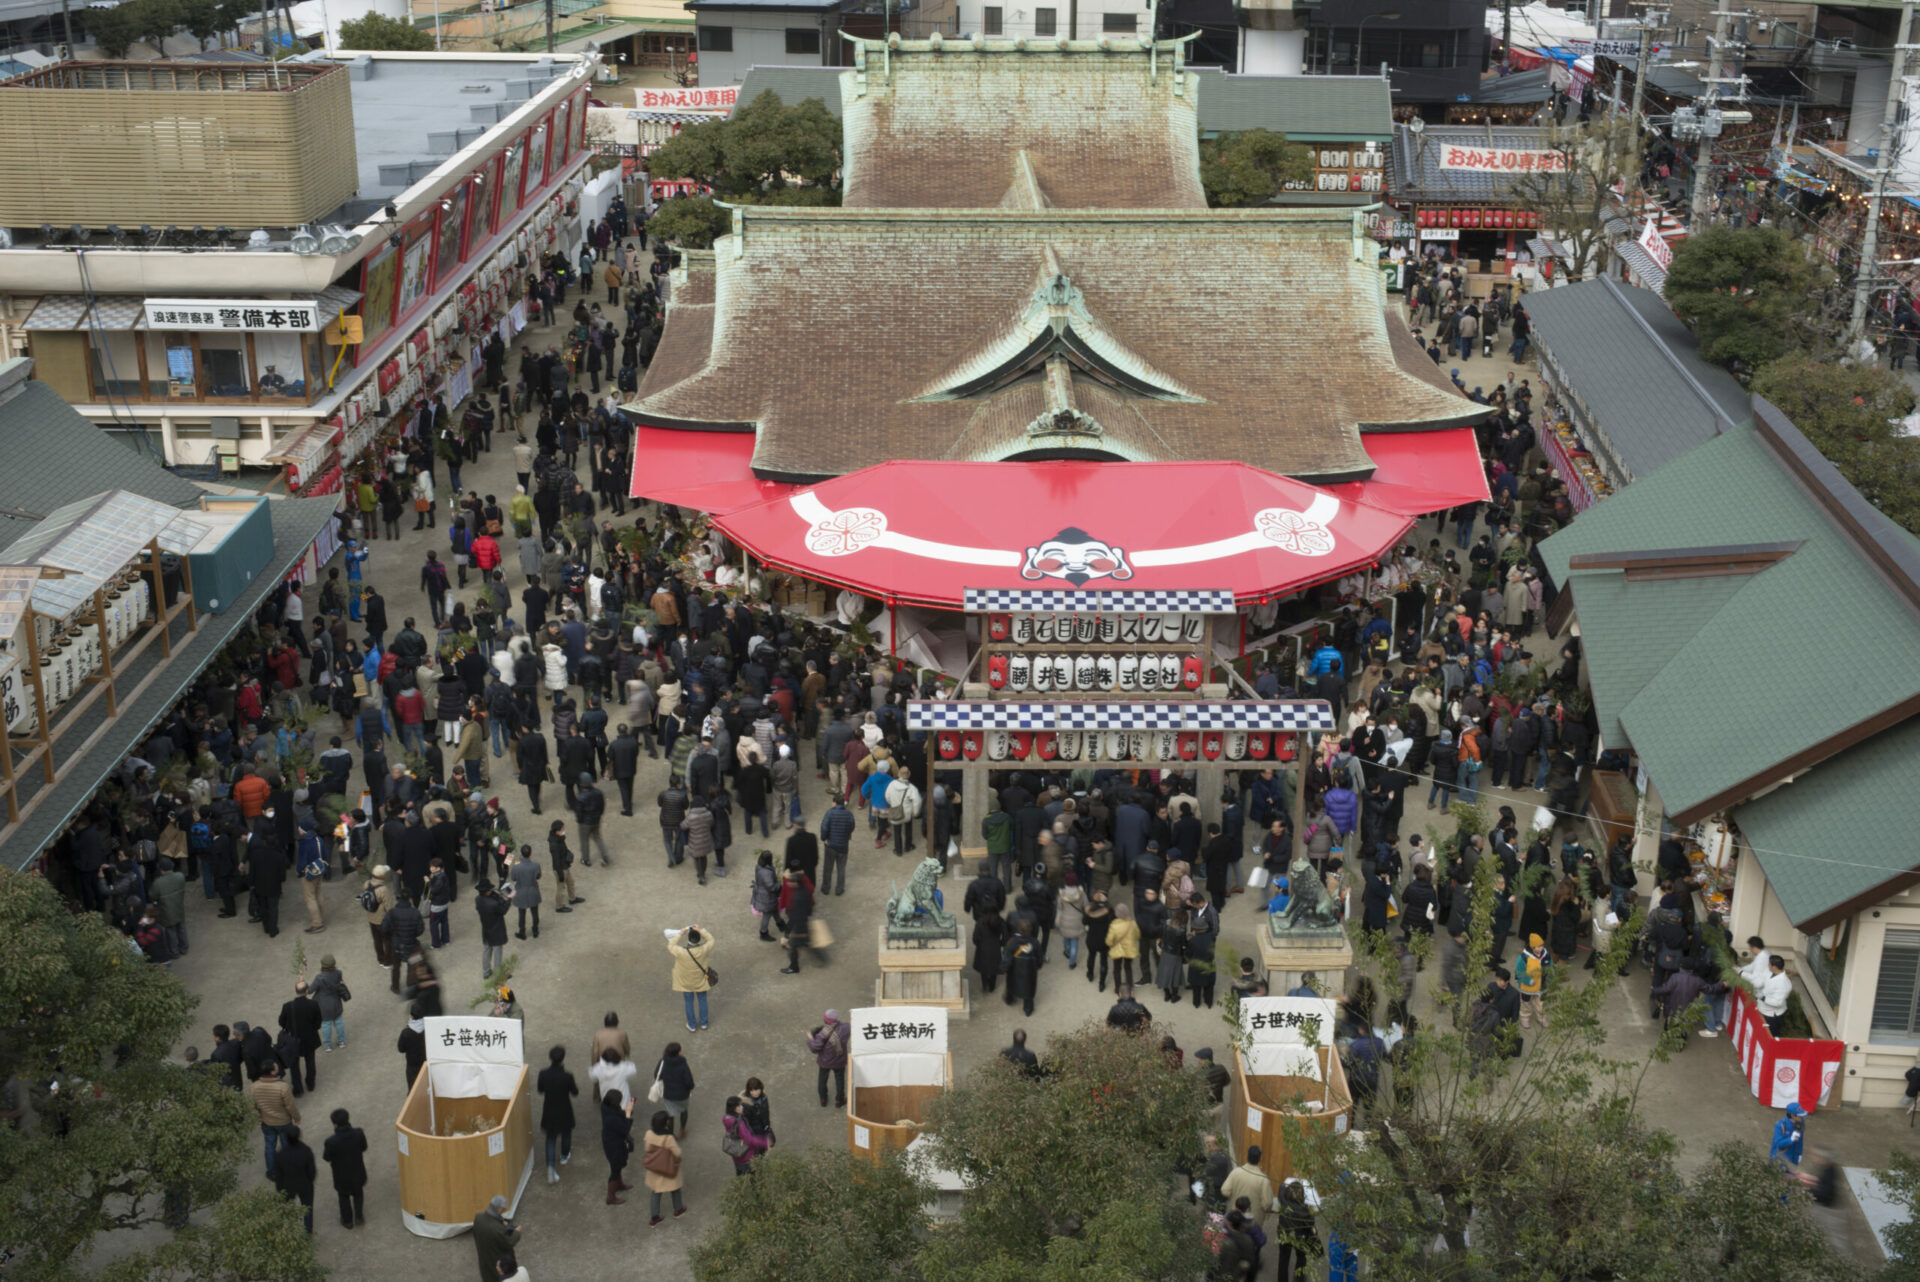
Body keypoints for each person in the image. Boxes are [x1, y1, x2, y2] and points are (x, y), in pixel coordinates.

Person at [250, 1060, 300, 1180]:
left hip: (267, 1122)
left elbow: (253, 1106)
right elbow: (290, 1106)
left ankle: (272, 1172)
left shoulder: (254, 1087)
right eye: (276, 1067)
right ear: (272, 1072)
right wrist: (297, 1118)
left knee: (269, 1147)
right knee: (286, 1147)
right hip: (284, 1122)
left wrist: (258, 1120)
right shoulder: (282, 1087)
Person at [323, 1107, 369, 1229]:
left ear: (334, 1124)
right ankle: (359, 1216)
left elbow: (326, 1157)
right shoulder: (358, 1133)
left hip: (341, 1174)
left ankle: (347, 1220)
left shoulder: (331, 1141)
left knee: (343, 1197)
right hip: (358, 1170)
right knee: (358, 1194)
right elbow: (364, 1147)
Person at [538, 1045, 578, 1183]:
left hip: (549, 1110)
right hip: (564, 1109)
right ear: (563, 1059)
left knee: (550, 1138)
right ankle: (564, 1156)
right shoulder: (567, 1076)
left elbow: (540, 1089)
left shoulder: (543, 1074)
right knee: (566, 1133)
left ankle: (550, 1166)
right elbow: (575, 1092)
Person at [1220, 1144, 1276, 1238]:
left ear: (1247, 1156)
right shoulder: (1263, 1179)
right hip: (1254, 1221)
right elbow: (1268, 1203)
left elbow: (1225, 1190)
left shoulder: (1236, 1172)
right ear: (1260, 1159)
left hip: (1236, 1218)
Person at [277, 980, 323, 1093]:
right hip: (309, 1038)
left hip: (293, 1039)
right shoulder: (313, 1004)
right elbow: (318, 1022)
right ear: (307, 991)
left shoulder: (287, 1006)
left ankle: (298, 1089)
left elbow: (281, 1022)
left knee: (294, 1065)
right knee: (310, 1062)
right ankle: (310, 1083)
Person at [642, 1109, 685, 1225]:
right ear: (665, 1123)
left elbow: (647, 1149)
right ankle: (678, 1209)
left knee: (656, 1191)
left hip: (655, 1169)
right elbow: (677, 1153)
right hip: (668, 1168)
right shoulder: (668, 1138)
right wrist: (677, 1160)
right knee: (675, 1189)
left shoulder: (649, 1134)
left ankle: (654, 1217)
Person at [668, 925, 715, 1031]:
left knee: (689, 1002)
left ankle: (692, 1025)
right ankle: (704, 1023)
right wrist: (701, 930)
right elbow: (711, 939)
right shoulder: (704, 949)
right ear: (699, 939)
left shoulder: (681, 952)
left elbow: (671, 945)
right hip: (701, 980)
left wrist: (680, 933)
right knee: (702, 1000)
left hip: (686, 981)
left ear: (688, 938)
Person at [274, 1124, 317, 1233]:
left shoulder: (280, 1154)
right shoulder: (306, 1151)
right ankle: (308, 1231)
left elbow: (279, 1175)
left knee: (288, 1209)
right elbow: (311, 1171)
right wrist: (310, 1181)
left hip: (288, 1186)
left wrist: (280, 1189)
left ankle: (291, 1231)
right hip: (305, 1184)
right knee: (307, 1208)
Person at [1274, 1179, 1319, 1282]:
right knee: (1301, 1258)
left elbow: (1281, 1188)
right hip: (1300, 1238)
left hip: (1284, 1235)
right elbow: (1310, 1224)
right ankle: (1299, 1279)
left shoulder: (1283, 1201)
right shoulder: (1304, 1211)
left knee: (1283, 1259)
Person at [472, 1195, 520, 1282]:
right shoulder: (497, 1229)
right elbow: (509, 1243)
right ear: (499, 1210)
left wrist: (501, 1222)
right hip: (499, 1262)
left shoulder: (478, 1217)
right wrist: (517, 1232)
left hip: (484, 1260)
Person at [808, 1010, 851, 1108]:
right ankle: (839, 1100)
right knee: (840, 1080)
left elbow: (815, 1048)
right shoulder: (846, 1027)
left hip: (825, 1061)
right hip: (839, 1060)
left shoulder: (823, 1033)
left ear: (826, 1020)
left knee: (822, 1079)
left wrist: (810, 1039)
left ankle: (823, 1099)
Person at [601, 1088, 636, 1205]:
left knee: (617, 1166)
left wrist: (627, 1111)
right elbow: (624, 1129)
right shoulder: (612, 1119)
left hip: (610, 1142)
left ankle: (619, 1185)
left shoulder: (605, 1107)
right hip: (614, 1146)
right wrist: (627, 1114)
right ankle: (610, 1197)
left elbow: (618, 1113)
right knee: (615, 1170)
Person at [655, 1041, 696, 1138]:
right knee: (684, 1111)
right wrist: (690, 1088)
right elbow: (689, 1081)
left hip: (668, 1094)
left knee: (670, 1115)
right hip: (682, 1095)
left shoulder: (663, 1062)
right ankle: (682, 1129)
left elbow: (657, 1075)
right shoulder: (682, 1063)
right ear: (677, 1053)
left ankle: (670, 1135)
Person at [310, 954, 348, 1052]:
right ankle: (342, 1041)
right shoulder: (338, 973)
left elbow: (310, 990)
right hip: (336, 1002)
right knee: (339, 1022)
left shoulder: (319, 978)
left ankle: (328, 1045)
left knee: (326, 1024)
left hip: (323, 1005)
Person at [1106, 902, 1142, 993]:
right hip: (1129, 950)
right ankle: (1130, 988)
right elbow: (1138, 935)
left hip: (1117, 951)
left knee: (1117, 969)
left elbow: (1109, 941)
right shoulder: (1132, 924)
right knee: (1128, 968)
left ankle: (1118, 989)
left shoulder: (1113, 925)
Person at [1756, 954, 1793, 1035]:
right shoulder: (1772, 973)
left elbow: (1777, 1002)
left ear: (1774, 967)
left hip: (1772, 1015)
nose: (1767, 965)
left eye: (1769, 964)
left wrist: (1762, 998)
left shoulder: (1783, 984)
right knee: (1762, 1032)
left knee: (1770, 1034)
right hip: (1764, 1009)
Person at [722, 1095, 757, 1176]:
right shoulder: (739, 1124)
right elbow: (749, 1139)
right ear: (735, 1108)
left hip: (735, 1152)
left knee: (740, 1174)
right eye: (740, 1105)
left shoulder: (726, 1118)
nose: (742, 1107)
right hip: (746, 1155)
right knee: (752, 1176)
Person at [398, 1001, 428, 1087]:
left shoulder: (406, 1033)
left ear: (411, 1016)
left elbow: (401, 1049)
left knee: (413, 1086)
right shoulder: (428, 1028)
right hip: (426, 1061)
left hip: (412, 1064)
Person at [1770, 1101, 1807, 1171]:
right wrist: (1790, 1140)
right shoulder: (1780, 1126)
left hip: (1794, 1158)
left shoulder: (1801, 1123)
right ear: (1793, 1116)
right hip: (1781, 1159)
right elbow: (1778, 1144)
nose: (1802, 1118)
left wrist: (1799, 1154)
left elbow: (1800, 1141)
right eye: (1800, 1116)